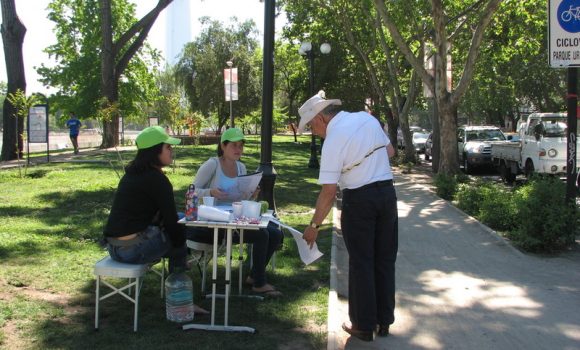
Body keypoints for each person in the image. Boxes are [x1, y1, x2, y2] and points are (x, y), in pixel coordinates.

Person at [298, 91, 398, 342]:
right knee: (384, 259)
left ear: (321, 118)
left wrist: (314, 226)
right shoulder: (367, 120)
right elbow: (390, 152)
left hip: (359, 201)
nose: (313, 131)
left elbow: (328, 192)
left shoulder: (333, 140)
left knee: (362, 262)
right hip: (387, 196)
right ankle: (384, 320)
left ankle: (363, 325)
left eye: (311, 125)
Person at [103, 126, 208, 313]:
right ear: (155, 151)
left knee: (181, 220)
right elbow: (171, 225)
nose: (172, 151)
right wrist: (181, 247)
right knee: (179, 236)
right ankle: (181, 300)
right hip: (132, 251)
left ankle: (182, 264)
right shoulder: (157, 180)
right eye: (168, 147)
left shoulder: (131, 175)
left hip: (114, 248)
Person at [187, 127, 284, 296]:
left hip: (235, 220)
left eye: (241, 146)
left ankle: (254, 276)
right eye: (234, 145)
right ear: (223, 146)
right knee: (262, 235)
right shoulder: (212, 164)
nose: (238, 150)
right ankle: (259, 283)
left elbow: (242, 201)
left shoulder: (241, 168)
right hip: (213, 223)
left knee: (275, 234)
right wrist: (211, 192)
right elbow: (191, 192)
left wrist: (252, 194)